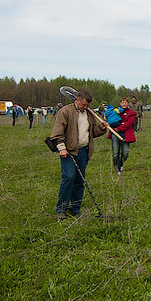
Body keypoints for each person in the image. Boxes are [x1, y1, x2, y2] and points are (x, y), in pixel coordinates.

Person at [50, 89, 107, 218]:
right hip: (69, 151)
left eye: (88, 105)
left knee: (79, 180)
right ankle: (61, 209)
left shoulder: (89, 114)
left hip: (83, 151)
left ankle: (75, 207)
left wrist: (101, 129)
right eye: (84, 105)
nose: (86, 107)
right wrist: (62, 148)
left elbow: (92, 132)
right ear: (78, 100)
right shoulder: (65, 112)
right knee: (69, 177)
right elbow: (57, 133)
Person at [109, 97, 136, 174]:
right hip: (115, 133)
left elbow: (129, 124)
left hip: (126, 134)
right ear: (120, 104)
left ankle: (121, 164)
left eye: (125, 102)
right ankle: (116, 168)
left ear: (128, 103)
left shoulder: (131, 113)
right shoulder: (115, 112)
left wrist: (119, 128)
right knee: (115, 152)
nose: (124, 104)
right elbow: (110, 119)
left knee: (125, 153)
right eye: (122, 102)